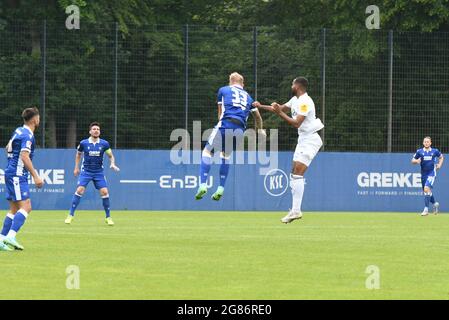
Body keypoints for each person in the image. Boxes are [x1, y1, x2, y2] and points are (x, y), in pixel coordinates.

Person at [255, 77, 324, 223]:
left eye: (293, 84)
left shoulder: (306, 101)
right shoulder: (295, 100)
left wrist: (280, 113)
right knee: (294, 173)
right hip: (303, 139)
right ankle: (295, 210)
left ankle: (296, 211)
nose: (291, 86)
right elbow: (278, 108)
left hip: (311, 139)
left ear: (298, 86)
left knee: (298, 173)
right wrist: (261, 106)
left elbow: (297, 123)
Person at [195, 72, 265, 201]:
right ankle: (221, 188)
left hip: (225, 124)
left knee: (207, 152)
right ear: (242, 83)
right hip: (240, 129)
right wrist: (260, 130)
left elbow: (220, 113)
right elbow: (258, 117)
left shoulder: (223, 90)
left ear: (230, 81)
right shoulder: (249, 98)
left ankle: (203, 184)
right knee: (225, 155)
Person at [1, 107, 44, 251]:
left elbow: (8, 148)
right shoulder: (27, 135)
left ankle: (1, 239)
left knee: (14, 209)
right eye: (38, 117)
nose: (39, 120)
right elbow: (24, 156)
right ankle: (11, 236)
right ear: (34, 119)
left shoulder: (19, 130)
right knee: (26, 206)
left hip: (11, 172)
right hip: (17, 175)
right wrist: (36, 176)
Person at [65, 122, 120, 226]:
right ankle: (70, 215)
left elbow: (110, 155)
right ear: (90, 131)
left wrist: (112, 163)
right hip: (86, 171)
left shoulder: (104, 144)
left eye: (98, 129)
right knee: (80, 190)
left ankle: (108, 217)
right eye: (94, 129)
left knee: (104, 192)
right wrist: (76, 167)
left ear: (99, 131)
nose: (96, 130)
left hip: (98, 172)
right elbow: (78, 155)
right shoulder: (84, 143)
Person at [411, 136, 444, 216]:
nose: (426, 143)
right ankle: (435, 204)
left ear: (430, 143)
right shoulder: (419, 151)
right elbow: (412, 160)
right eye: (425, 142)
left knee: (426, 189)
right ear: (423, 143)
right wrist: (416, 161)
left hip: (432, 173)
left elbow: (441, 157)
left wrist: (439, 164)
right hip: (423, 174)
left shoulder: (435, 151)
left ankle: (426, 210)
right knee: (426, 191)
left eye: (428, 142)